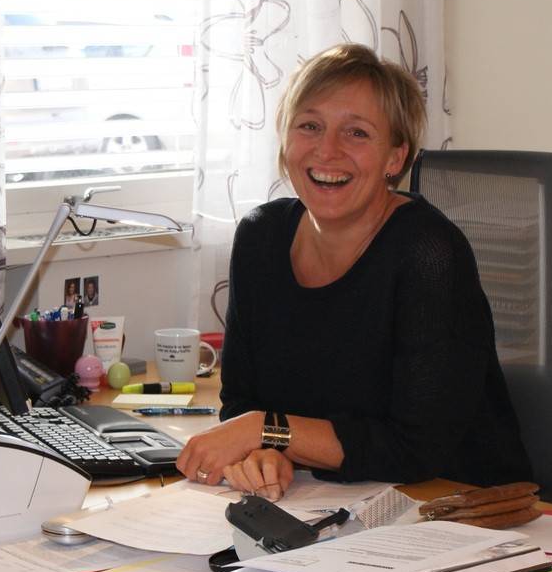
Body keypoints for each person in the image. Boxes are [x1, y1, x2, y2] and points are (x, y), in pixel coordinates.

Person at [175, 43, 532, 500]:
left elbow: (417, 450)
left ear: (395, 158)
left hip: (454, 507)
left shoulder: (428, 254)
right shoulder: (259, 238)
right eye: (310, 126)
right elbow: (243, 404)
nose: (327, 151)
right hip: (323, 502)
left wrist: (270, 432)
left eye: (357, 133)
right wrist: (266, 453)